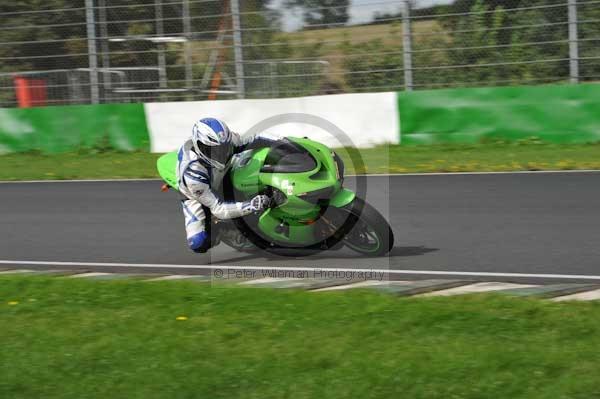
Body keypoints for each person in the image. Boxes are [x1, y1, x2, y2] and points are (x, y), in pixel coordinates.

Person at [177, 117, 271, 253]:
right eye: (214, 150)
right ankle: (219, 228)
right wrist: (251, 205)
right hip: (197, 193)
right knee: (198, 243)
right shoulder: (193, 174)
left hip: (223, 172)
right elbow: (218, 208)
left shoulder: (227, 140)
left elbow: (256, 138)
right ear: (200, 146)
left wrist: (285, 142)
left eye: (223, 148)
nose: (220, 154)